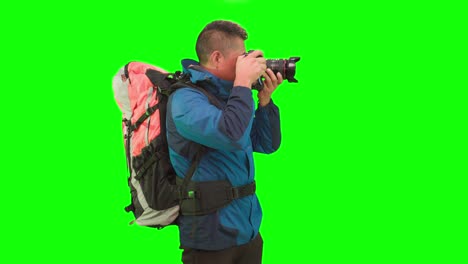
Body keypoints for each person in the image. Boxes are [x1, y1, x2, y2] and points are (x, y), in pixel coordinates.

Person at [166, 20, 283, 264]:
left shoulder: (231, 97)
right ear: (217, 58)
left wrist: (265, 102)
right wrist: (242, 83)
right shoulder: (186, 100)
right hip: (210, 240)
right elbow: (231, 135)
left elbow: (267, 144)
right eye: (242, 57)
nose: (248, 63)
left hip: (248, 231)